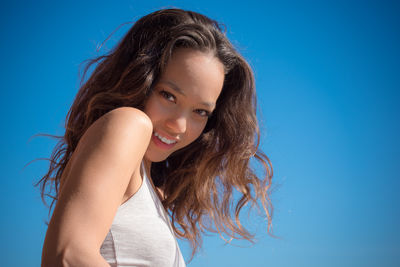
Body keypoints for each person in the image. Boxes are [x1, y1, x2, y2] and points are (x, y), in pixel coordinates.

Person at [36, 8, 273, 267]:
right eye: (168, 95)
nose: (179, 126)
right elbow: (67, 256)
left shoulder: (152, 191)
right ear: (140, 79)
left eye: (200, 112)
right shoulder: (128, 123)